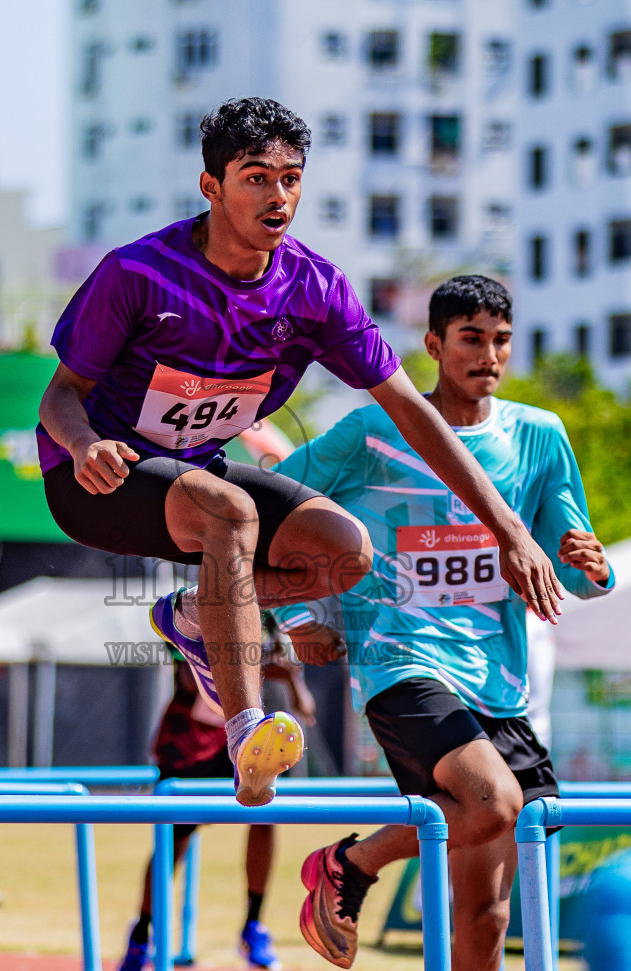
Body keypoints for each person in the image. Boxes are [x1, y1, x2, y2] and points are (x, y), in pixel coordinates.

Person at [37, 98, 566, 808]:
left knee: (344, 553)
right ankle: (245, 731)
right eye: (256, 177)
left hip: (194, 475)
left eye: (291, 178)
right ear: (211, 186)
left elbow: (412, 410)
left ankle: (194, 616)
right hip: (97, 482)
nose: (277, 195)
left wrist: (510, 531)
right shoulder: (139, 274)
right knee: (229, 511)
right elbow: (60, 395)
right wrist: (83, 444)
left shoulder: (315, 289)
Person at [271, 276, 614, 971]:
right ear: (432, 346)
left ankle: (350, 863)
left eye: (500, 339)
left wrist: (593, 569)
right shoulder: (372, 433)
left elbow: (568, 561)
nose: (488, 354)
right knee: (493, 800)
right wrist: (297, 615)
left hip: (498, 678)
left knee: (489, 908)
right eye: (470, 338)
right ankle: (357, 862)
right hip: (401, 663)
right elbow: (272, 505)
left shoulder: (538, 436)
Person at [118, 615, 316, 971]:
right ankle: (142, 933)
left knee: (265, 816)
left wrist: (292, 680)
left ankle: (254, 925)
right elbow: (193, 675)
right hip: (191, 743)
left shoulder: (268, 611)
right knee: (172, 842)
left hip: (245, 737)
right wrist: (263, 664)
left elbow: (279, 663)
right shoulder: (196, 605)